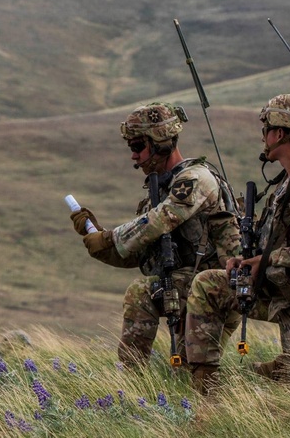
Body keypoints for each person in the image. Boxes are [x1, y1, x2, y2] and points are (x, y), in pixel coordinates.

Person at [184, 94, 290, 393]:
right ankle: (204, 391)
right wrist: (250, 261)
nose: (263, 137)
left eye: (265, 130)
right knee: (209, 285)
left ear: (278, 133)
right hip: (288, 291)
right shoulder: (288, 181)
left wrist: (266, 261)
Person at [70, 102, 241, 368]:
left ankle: (133, 381)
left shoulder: (195, 178)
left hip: (215, 287)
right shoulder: (160, 191)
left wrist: (110, 238)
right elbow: (139, 253)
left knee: (142, 295)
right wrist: (96, 239)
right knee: (184, 376)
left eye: (138, 147)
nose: (134, 156)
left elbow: (161, 220)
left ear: (160, 142)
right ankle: (133, 388)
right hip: (185, 287)